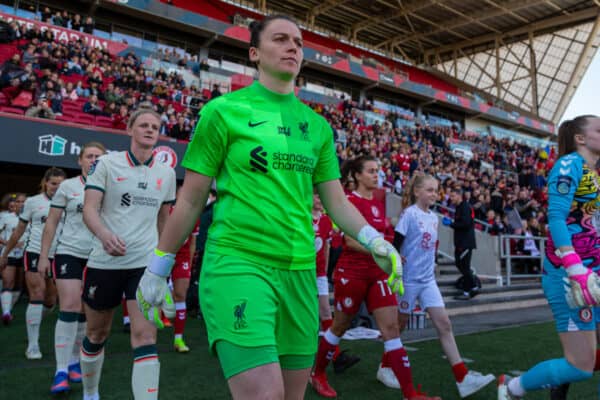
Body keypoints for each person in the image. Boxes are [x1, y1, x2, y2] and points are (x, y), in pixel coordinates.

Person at [135, 15, 403, 400]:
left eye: (298, 41)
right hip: (238, 262)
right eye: (281, 39)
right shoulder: (223, 111)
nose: (294, 46)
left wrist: (376, 241)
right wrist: (159, 265)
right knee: (265, 396)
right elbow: (192, 198)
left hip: (299, 273)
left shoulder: (318, 127)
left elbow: (336, 200)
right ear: (255, 53)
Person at [311, 157, 439, 400]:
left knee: (391, 329)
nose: (376, 175)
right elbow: (349, 241)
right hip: (352, 273)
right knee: (339, 326)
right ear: (357, 175)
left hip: (377, 273)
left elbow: (382, 238)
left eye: (378, 170)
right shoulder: (348, 202)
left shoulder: (378, 203)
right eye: (371, 171)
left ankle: (410, 394)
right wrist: (385, 250)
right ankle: (317, 374)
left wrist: (390, 253)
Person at [497, 115, 600, 399]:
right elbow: (556, 217)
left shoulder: (594, 172)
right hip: (571, 277)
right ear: (580, 138)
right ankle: (511, 388)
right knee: (581, 367)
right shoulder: (569, 164)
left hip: (594, 273)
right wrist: (574, 266)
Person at [81, 108, 176, 400]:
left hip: (144, 266)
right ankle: (90, 392)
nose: (150, 130)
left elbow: (165, 221)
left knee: (146, 336)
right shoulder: (106, 164)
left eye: (155, 127)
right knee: (97, 334)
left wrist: (163, 266)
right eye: (144, 125)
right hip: (104, 262)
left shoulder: (167, 172)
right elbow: (89, 209)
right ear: (130, 129)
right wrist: (105, 235)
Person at [392, 174, 494, 398]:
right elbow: (395, 245)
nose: (434, 194)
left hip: (428, 280)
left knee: (445, 324)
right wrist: (398, 259)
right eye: (429, 190)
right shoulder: (409, 215)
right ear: (417, 192)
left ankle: (462, 377)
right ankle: (386, 366)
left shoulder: (434, 218)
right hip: (409, 280)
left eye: (436, 190)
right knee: (399, 326)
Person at [38, 142, 106, 393]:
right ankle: (61, 370)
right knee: (69, 305)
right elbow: (52, 223)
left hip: (99, 256)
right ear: (80, 160)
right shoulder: (68, 187)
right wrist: (45, 256)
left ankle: (76, 360)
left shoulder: (110, 186)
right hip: (69, 252)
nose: (94, 160)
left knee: (87, 311)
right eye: (89, 156)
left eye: (99, 156)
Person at [0, 167, 67, 359]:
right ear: (45, 183)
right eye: (53, 183)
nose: (57, 187)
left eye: (61, 184)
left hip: (60, 254)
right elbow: (19, 230)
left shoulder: (70, 201)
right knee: (37, 294)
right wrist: (5, 254)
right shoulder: (32, 202)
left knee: (50, 301)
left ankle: (33, 324)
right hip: (35, 252)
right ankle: (33, 345)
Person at [169, 195, 199, 353]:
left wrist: (189, 262)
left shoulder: (194, 215)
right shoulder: (166, 210)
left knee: (181, 294)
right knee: (160, 297)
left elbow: (193, 242)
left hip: (182, 257)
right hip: (164, 254)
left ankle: (178, 339)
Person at [444, 187, 479, 300]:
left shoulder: (464, 207)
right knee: (461, 265)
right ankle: (469, 289)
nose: (451, 198)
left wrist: (451, 223)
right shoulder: (460, 207)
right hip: (461, 242)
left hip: (465, 243)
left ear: (459, 196)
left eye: (453, 196)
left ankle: (472, 288)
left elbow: (466, 223)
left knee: (463, 266)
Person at [0, 193, 26, 324]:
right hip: (8, 253)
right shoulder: (4, 217)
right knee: (8, 283)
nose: (20, 204)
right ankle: (6, 313)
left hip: (23, 255)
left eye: (22, 202)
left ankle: (8, 310)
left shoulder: (29, 218)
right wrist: (9, 244)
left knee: (18, 285)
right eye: (18, 202)